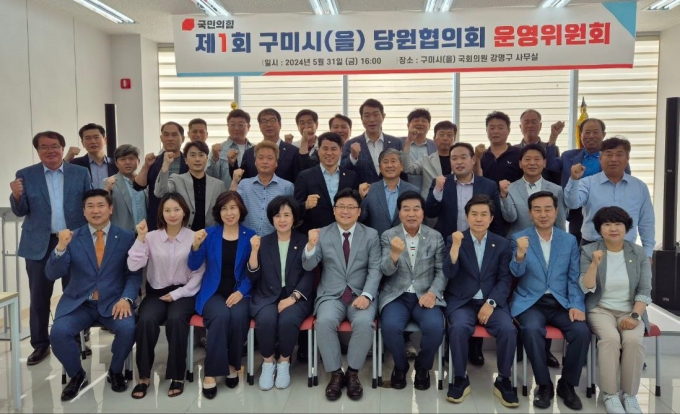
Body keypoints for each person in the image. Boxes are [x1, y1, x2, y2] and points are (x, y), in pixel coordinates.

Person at [45, 189, 141, 400]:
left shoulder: (126, 237)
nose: (95, 211)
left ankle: (115, 371)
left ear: (110, 209)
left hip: (114, 302)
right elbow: (53, 273)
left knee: (128, 329)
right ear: (83, 211)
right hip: (79, 303)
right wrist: (60, 246)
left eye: (100, 205)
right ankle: (77, 375)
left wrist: (126, 299)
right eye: (90, 206)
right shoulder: (72, 237)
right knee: (58, 333)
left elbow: (133, 275)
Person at [9, 131, 91, 366]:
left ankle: (74, 338)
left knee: (74, 292)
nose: (50, 151)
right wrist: (16, 196)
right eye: (44, 147)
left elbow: (89, 205)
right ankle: (40, 344)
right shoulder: (25, 174)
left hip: (72, 240)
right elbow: (21, 210)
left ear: (63, 148)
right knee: (39, 296)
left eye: (54, 146)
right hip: (39, 244)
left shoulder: (80, 173)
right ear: (37, 151)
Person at [509, 191, 590, 410]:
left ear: (556, 211)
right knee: (531, 330)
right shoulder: (519, 238)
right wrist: (520, 255)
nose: (543, 214)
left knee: (581, 332)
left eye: (548, 209)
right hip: (530, 301)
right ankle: (544, 385)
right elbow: (515, 274)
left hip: (561, 301)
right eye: (537, 210)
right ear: (530, 213)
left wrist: (576, 304)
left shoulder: (569, 240)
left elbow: (574, 277)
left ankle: (567, 385)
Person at [302, 188, 381, 401]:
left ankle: (353, 374)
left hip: (360, 294)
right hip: (331, 295)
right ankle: (336, 374)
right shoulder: (322, 233)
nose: (346, 211)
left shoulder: (371, 235)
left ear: (359, 211)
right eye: (341, 207)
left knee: (364, 323)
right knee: (324, 321)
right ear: (334, 210)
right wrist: (310, 246)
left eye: (351, 207)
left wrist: (367, 295)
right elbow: (309, 266)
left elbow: (375, 269)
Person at [127, 194, 205, 399]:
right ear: (161, 213)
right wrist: (140, 237)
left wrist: (178, 293)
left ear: (184, 212)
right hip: (157, 292)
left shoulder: (194, 237)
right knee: (145, 320)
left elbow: (198, 273)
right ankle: (144, 377)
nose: (172, 214)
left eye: (177, 209)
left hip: (185, 292)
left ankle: (177, 375)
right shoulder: (151, 237)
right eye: (167, 210)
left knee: (176, 320)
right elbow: (133, 265)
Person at [443, 195, 518, 407]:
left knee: (508, 329)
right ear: (467, 217)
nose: (478, 218)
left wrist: (491, 303)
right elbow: (449, 273)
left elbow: (505, 279)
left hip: (492, 302)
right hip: (462, 302)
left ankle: (503, 380)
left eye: (484, 214)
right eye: (474, 214)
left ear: (491, 218)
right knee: (458, 328)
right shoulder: (455, 239)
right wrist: (455, 247)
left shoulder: (502, 244)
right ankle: (460, 378)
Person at [580, 206, 651, 414]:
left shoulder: (638, 252)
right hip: (600, 309)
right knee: (610, 339)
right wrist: (594, 264)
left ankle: (629, 395)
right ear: (599, 229)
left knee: (633, 341)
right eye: (607, 224)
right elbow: (586, 287)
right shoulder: (588, 251)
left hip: (631, 309)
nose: (613, 229)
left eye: (618, 224)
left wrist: (635, 315)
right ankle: (610, 394)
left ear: (626, 228)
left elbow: (645, 289)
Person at [188, 191, 255, 399]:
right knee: (220, 316)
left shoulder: (250, 236)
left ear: (240, 210)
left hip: (240, 292)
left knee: (238, 316)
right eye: (224, 208)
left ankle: (233, 365)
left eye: (233, 207)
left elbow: (253, 272)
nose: (229, 213)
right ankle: (211, 373)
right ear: (219, 212)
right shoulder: (209, 234)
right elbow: (193, 265)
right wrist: (195, 245)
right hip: (213, 292)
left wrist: (241, 292)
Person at [379, 191, 446, 391]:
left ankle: (423, 367)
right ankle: (400, 366)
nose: (411, 214)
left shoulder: (435, 236)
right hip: (396, 295)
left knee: (435, 328)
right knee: (390, 327)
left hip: (425, 295)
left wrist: (433, 293)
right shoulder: (388, 235)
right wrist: (394, 255)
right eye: (406, 209)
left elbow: (442, 271)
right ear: (399, 213)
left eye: (416, 209)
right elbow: (384, 270)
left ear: (423, 213)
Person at [247, 196, 314, 390]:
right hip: (267, 295)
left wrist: (293, 298)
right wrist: (254, 251)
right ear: (272, 219)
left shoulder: (304, 241)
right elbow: (253, 276)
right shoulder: (264, 242)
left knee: (288, 320)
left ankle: (284, 361)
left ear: (294, 218)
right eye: (277, 215)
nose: (282, 220)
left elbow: (309, 273)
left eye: (286, 215)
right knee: (266, 320)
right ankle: (268, 362)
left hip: (296, 297)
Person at [564, 137, 655, 258]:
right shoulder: (588, 183)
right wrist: (574, 180)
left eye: (619, 155)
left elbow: (647, 222)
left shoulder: (639, 187)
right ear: (600, 158)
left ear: (627, 159)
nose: (614, 159)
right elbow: (572, 203)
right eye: (609, 154)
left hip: (627, 248)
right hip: (592, 247)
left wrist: (648, 253)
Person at [544, 118, 630, 244]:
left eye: (595, 132)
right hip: (576, 211)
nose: (591, 136)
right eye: (587, 132)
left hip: (606, 211)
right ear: (581, 135)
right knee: (578, 248)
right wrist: (553, 136)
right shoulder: (569, 156)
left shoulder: (613, 159)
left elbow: (623, 183)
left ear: (603, 134)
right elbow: (550, 164)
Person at [425, 142, 504, 241]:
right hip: (449, 242)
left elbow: (497, 220)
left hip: (480, 242)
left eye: (463, 157)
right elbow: (430, 213)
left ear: (473, 160)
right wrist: (437, 190)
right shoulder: (441, 183)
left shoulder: (489, 185)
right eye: (454, 158)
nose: (459, 162)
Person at [294, 132, 359, 234]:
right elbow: (294, 209)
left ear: (341, 151)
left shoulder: (351, 176)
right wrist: (305, 205)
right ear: (318, 151)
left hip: (344, 233)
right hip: (314, 234)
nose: (329, 153)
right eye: (325, 148)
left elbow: (356, 207)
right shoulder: (304, 176)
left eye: (333, 149)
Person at [154, 141, 226, 231]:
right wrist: (166, 164)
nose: (197, 159)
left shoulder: (218, 185)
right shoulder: (177, 180)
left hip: (210, 235)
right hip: (183, 234)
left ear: (207, 159)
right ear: (186, 160)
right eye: (193, 155)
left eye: (201, 155)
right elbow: (160, 193)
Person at [133, 122, 189, 231]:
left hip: (183, 219)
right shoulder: (154, 161)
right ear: (161, 138)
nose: (170, 138)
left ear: (182, 138)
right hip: (157, 219)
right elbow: (138, 186)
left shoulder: (188, 162)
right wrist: (146, 166)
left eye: (174, 135)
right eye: (166, 135)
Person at [500, 144, 566, 235]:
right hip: (519, 240)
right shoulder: (509, 189)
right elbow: (510, 218)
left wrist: (561, 240)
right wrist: (504, 196)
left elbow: (560, 223)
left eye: (537, 159)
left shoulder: (556, 190)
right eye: (527, 159)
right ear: (520, 163)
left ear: (544, 163)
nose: (532, 163)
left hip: (547, 240)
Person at [234, 141, 294, 236]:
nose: (265, 162)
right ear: (255, 162)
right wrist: (234, 181)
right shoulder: (244, 185)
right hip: (246, 239)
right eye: (260, 158)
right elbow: (231, 205)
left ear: (276, 163)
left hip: (275, 240)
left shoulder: (287, 187)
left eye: (269, 158)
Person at [342, 99, 404, 185]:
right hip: (362, 192)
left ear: (383, 116)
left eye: (376, 114)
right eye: (367, 116)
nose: (371, 119)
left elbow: (402, 171)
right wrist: (353, 157)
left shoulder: (396, 143)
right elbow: (343, 171)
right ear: (361, 119)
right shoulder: (351, 144)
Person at [231, 108, 300, 184]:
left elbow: (298, 181)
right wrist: (232, 164)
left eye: (272, 120)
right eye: (264, 121)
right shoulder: (249, 153)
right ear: (260, 126)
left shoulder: (293, 152)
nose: (268, 125)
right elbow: (241, 180)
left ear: (280, 124)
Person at [359, 148, 419, 236]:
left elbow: (419, 221)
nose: (389, 165)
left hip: (405, 241)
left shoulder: (413, 191)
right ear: (380, 168)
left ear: (401, 166)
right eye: (385, 162)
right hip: (377, 241)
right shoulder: (370, 190)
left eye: (393, 161)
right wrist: (361, 198)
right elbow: (361, 219)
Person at [401, 120, 457, 201]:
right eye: (441, 134)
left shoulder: (460, 162)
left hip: (454, 202)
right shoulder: (426, 160)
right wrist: (409, 141)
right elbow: (407, 169)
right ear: (434, 138)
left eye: (449, 135)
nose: (445, 138)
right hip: (430, 203)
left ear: (454, 139)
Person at [103, 144, 147, 234]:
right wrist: (107, 189)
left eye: (131, 158)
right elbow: (102, 207)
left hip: (145, 234)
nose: (127, 162)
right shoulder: (108, 182)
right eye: (122, 159)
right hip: (121, 234)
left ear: (138, 161)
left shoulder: (145, 181)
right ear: (116, 163)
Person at [207, 109, 254, 191]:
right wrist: (215, 158)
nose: (236, 128)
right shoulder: (218, 149)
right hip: (226, 195)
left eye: (241, 125)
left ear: (248, 127)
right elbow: (211, 178)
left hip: (250, 195)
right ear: (227, 126)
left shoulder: (255, 150)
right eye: (232, 124)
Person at [514, 109, 563, 185]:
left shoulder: (551, 148)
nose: (530, 125)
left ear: (540, 126)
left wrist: (553, 136)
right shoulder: (513, 150)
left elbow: (555, 176)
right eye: (526, 122)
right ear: (520, 127)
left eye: (534, 122)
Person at [474, 111, 522, 184]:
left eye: (500, 128)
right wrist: (477, 158)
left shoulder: (519, 154)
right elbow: (476, 180)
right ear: (486, 130)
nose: (496, 131)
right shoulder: (481, 155)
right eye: (492, 128)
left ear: (508, 130)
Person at [399, 108, 436, 191]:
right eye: (416, 120)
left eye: (424, 121)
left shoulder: (435, 146)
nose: (420, 123)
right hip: (403, 191)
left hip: (428, 191)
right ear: (408, 125)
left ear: (429, 126)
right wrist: (409, 141)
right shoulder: (397, 143)